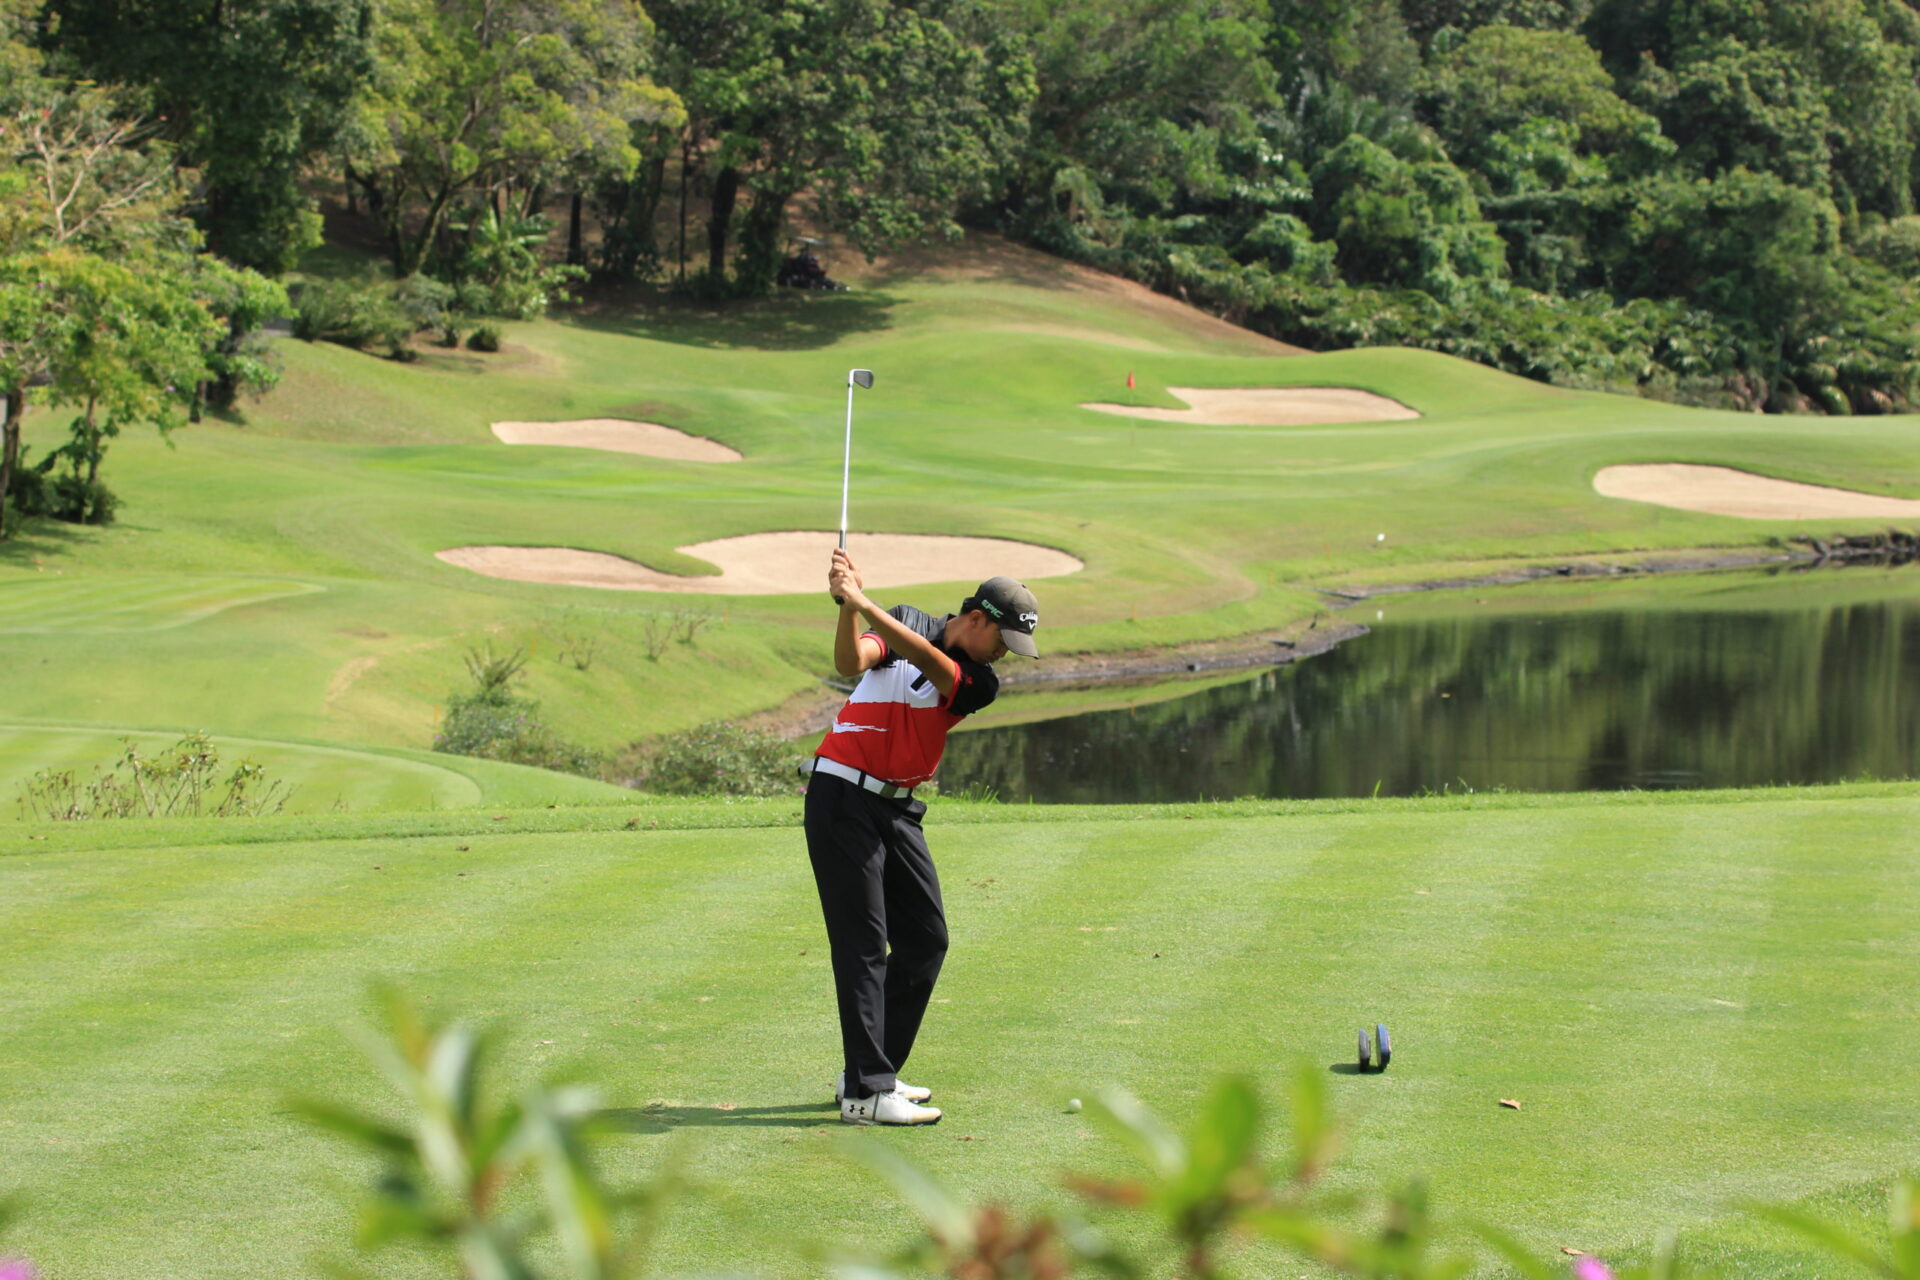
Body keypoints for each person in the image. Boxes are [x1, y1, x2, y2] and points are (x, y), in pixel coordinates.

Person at [802, 547, 1040, 1125]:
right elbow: (849, 662)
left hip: (897, 809)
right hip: (841, 796)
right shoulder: (907, 620)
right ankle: (867, 1093)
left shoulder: (979, 681)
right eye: (1003, 639)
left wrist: (863, 600)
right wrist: (847, 608)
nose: (1005, 654)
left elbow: (928, 662)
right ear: (977, 618)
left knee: (926, 940)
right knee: (863, 944)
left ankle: (867, 1070)